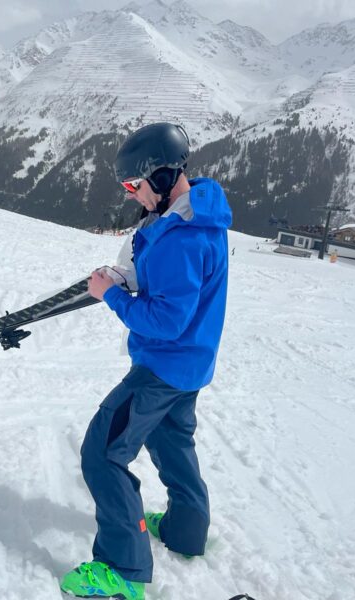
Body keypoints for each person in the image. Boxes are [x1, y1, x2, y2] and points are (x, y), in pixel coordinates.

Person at [60, 123, 232, 600]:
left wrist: (111, 295)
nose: (132, 195)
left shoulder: (183, 238)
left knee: (103, 451)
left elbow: (166, 321)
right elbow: (166, 279)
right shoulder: (195, 214)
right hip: (190, 366)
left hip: (162, 366)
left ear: (160, 176)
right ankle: (185, 531)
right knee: (172, 442)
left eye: (133, 186)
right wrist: (122, 275)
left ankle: (122, 569)